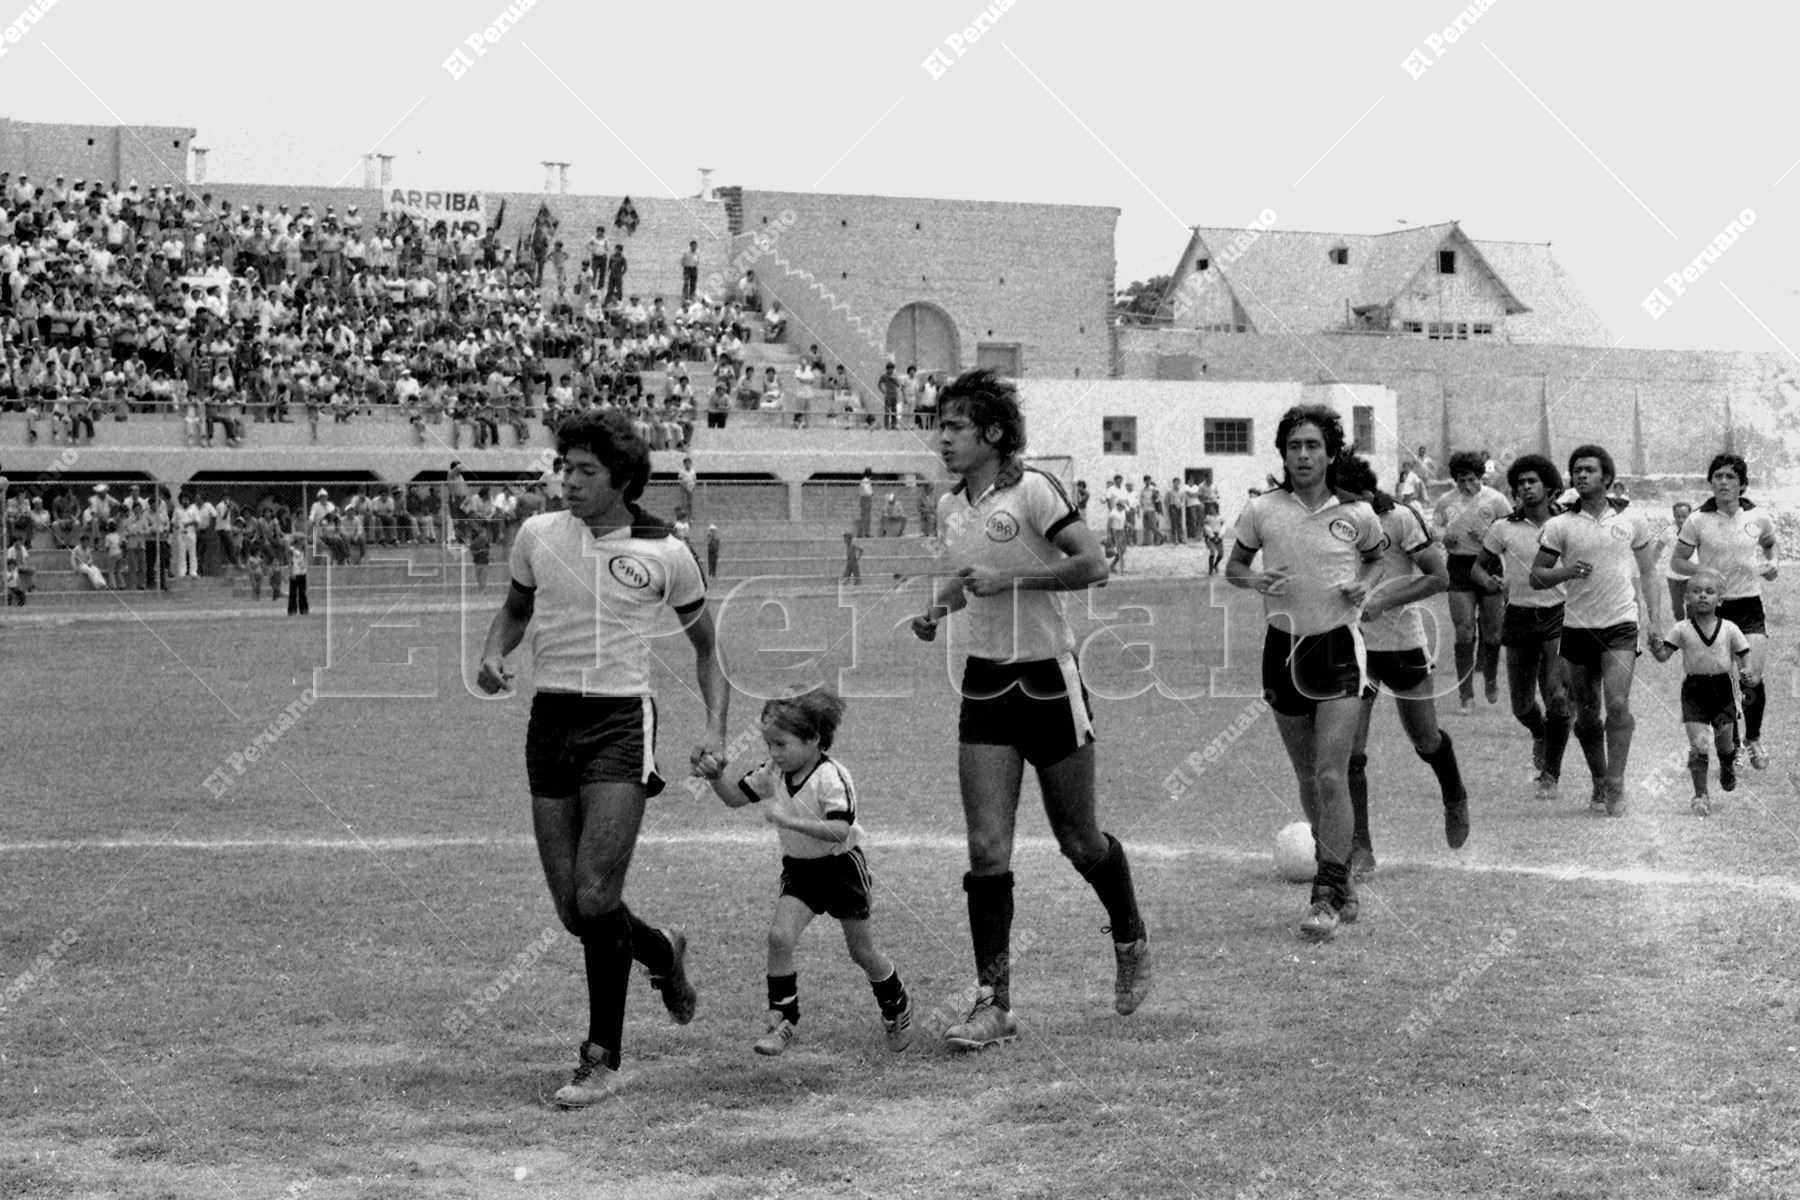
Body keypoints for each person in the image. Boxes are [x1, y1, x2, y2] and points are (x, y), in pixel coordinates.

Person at [477, 409, 727, 1108]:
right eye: (566, 467)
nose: (569, 481)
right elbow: (515, 612)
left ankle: (600, 1058)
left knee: (595, 893)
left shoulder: (666, 551)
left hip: (620, 720)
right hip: (550, 719)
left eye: (585, 471)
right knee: (574, 912)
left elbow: (708, 650)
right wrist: (494, 653)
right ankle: (660, 952)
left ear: (622, 479)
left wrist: (713, 725)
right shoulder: (537, 535)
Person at [910, 368, 1149, 1049]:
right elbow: (967, 579)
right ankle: (995, 1002)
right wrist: (940, 607)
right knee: (987, 846)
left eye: (955, 427)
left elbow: (1094, 564)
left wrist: (1011, 577)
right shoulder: (951, 507)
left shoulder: (1035, 489)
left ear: (991, 433)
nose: (943, 439)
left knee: (1081, 840)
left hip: (1050, 681)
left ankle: (1128, 936)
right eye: (940, 427)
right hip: (985, 685)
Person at [1225, 404, 1384, 941]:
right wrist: (1255, 580)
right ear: (1283, 454)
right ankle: (1343, 881)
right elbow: (1235, 567)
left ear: (1331, 452)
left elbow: (1376, 558)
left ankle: (1326, 893)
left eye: (1313, 445)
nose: (1303, 455)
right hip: (1282, 650)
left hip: (1338, 648)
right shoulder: (1261, 510)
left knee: (1330, 774)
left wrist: (1365, 584)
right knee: (1306, 778)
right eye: (1294, 446)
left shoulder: (1358, 513)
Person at [697, 687, 914, 1056]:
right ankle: (783, 1021)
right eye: (768, 745)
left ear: (813, 739)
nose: (773, 754)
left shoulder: (831, 777)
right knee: (779, 937)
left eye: (780, 744)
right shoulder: (774, 772)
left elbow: (840, 829)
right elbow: (735, 797)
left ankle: (896, 1003)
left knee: (861, 952)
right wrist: (715, 776)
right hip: (800, 870)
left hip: (841, 869)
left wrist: (787, 819)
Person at [1333, 454, 1469, 880]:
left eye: (1347, 498)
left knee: (1425, 739)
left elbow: (1439, 577)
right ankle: (1361, 848)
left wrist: (1383, 602)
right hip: (1350, 647)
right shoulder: (1327, 525)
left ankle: (1455, 795)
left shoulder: (1400, 520)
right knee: (1350, 751)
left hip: (1401, 643)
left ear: (1367, 495)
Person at [1530, 444, 1659, 817]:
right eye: (1576, 470)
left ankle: (1616, 782)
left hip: (1621, 624)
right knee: (1587, 714)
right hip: (1578, 627)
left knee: (1618, 704)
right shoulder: (1559, 525)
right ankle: (1599, 779)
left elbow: (1649, 571)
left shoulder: (1633, 519)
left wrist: (1656, 620)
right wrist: (1567, 572)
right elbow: (1537, 576)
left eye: (1589, 469)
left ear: (1607, 477)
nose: (1581, 475)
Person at [1472, 455, 1573, 800]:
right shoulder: (1503, 527)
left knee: (1557, 694)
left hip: (1560, 615)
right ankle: (1539, 732)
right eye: (1520, 483)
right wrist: (1490, 582)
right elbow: (1477, 569)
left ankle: (1551, 774)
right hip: (1517, 615)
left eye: (1533, 481)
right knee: (1521, 705)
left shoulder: (1567, 522)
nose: (1526, 488)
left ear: (1550, 487)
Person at [1668, 453, 1777, 771]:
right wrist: (1706, 573)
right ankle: (1732, 745)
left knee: (1751, 676)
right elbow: (1678, 561)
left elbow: (1771, 544)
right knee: (1717, 680)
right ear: (1711, 482)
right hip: (1710, 609)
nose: (1724, 482)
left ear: (1742, 484)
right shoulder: (1697, 520)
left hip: (1748, 604)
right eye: (1718, 476)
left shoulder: (1758, 517)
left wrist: (1773, 564)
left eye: (1730, 477)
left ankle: (1752, 739)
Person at [1646, 568, 1754, 817]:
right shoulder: (1681, 629)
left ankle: (1727, 765)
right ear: (1686, 598)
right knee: (1698, 744)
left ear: (1720, 599)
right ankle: (1700, 795)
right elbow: (1664, 656)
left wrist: (1747, 669)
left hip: (1723, 688)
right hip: (1694, 690)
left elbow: (1743, 653)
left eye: (1709, 592)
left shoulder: (1729, 628)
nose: (1702, 596)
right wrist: (1655, 646)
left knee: (1724, 740)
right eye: (1696, 592)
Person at [1433, 451, 1512, 712]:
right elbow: (1436, 527)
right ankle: (1465, 695)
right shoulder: (1447, 501)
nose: (1466, 486)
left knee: (1492, 632)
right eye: (1460, 480)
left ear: (1480, 477)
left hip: (1489, 565)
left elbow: (1511, 534)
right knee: (1464, 629)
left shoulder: (1496, 500)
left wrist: (1490, 537)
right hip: (1459, 567)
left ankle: (1489, 679)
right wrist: (1444, 538)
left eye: (1470, 480)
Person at [1657, 501, 1693, 622]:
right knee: (1677, 607)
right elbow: (1657, 549)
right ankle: (1681, 629)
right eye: (1678, 516)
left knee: (1692, 607)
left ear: (1690, 516)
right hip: (1674, 576)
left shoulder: (1695, 531)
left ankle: (1692, 632)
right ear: (1674, 516)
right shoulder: (1669, 531)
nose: (1681, 520)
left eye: (1684, 516)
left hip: (1691, 576)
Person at [285, 534, 309, 616]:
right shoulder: (291, 550)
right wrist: (291, 572)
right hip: (295, 572)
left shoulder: (302, 550)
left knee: (302, 593)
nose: (304, 542)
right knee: (293, 593)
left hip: (302, 572)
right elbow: (289, 561)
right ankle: (292, 610)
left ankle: (304, 609)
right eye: (302, 540)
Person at [856, 468, 874, 539]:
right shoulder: (865, 481)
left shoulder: (867, 481)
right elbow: (867, 492)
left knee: (865, 517)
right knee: (865, 517)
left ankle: (864, 533)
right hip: (865, 499)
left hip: (866, 499)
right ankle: (864, 533)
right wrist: (872, 493)